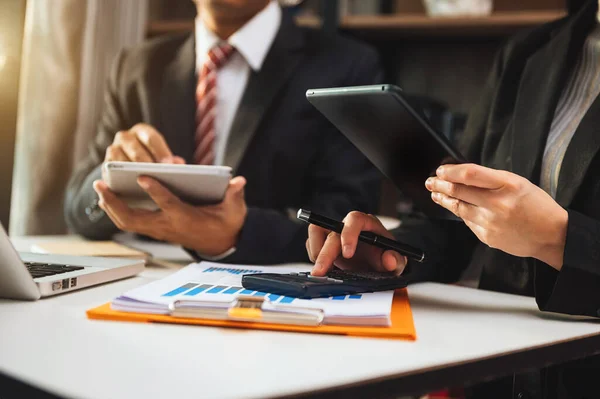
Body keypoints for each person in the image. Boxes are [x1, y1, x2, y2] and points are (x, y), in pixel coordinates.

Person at [306, 1, 600, 397]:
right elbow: (461, 222)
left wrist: (559, 240)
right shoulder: (529, 51)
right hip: (502, 373)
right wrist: (392, 252)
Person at [65, 0, 382, 264]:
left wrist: (236, 234)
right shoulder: (137, 66)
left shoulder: (348, 66)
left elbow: (348, 218)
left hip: (267, 291)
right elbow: (78, 213)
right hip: (147, 280)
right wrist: (112, 177)